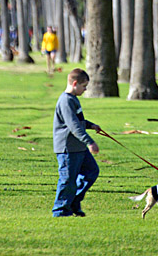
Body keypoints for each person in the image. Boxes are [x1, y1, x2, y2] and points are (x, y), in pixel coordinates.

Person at [52, 68, 101, 217]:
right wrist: (90, 142)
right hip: (68, 148)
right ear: (75, 83)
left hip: (78, 148)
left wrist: (90, 125)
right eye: (84, 86)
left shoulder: (74, 99)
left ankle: (73, 202)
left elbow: (78, 121)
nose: (85, 89)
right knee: (67, 180)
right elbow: (72, 125)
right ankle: (60, 210)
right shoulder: (66, 101)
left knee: (91, 171)